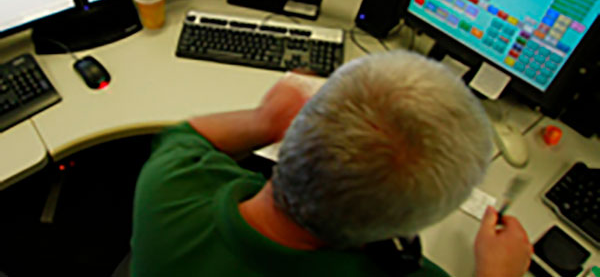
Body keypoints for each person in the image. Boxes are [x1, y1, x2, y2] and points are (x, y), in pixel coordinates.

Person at [130, 50, 532, 276]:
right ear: (402, 231)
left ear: (295, 131)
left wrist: (261, 121)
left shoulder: (170, 187)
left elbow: (188, 135)